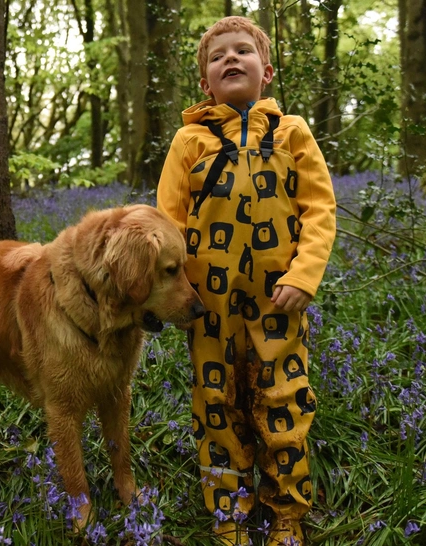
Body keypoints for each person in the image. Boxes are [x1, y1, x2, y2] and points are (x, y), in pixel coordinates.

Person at [156, 16, 336, 546]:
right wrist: (172, 294)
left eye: (243, 51)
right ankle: (230, 513)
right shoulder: (189, 140)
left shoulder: (292, 133)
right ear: (205, 83)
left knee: (285, 399)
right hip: (208, 306)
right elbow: (168, 223)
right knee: (216, 405)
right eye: (217, 56)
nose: (230, 59)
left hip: (279, 303)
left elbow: (320, 211)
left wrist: (304, 277)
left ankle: (287, 511)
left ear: (268, 72)